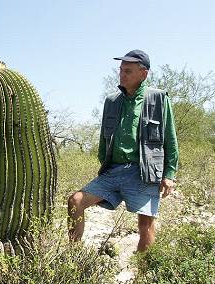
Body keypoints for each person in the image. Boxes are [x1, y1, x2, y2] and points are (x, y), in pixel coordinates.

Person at [68, 49, 178, 252]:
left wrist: (169, 174)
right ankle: (72, 261)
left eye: (128, 71)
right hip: (113, 170)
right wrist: (105, 164)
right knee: (76, 201)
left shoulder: (159, 99)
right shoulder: (112, 101)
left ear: (143, 74)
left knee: (145, 225)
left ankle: (143, 280)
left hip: (142, 173)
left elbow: (170, 139)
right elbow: (103, 138)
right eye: (121, 70)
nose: (122, 74)